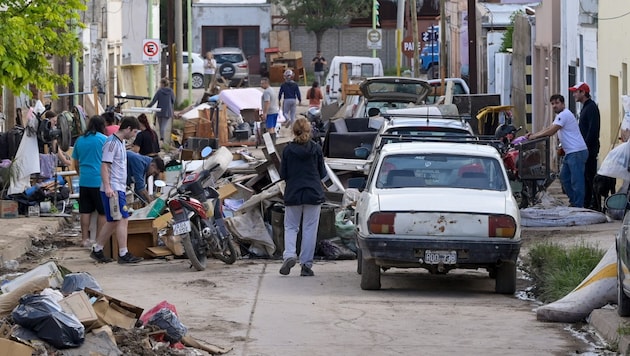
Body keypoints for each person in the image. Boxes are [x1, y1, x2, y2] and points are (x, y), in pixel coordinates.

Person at [90, 116, 143, 264]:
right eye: (134, 132)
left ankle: (117, 251)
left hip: (118, 187)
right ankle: (102, 249)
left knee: (121, 218)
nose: (134, 135)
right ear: (128, 129)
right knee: (115, 219)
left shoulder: (120, 142)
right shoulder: (112, 143)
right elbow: (105, 165)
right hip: (113, 187)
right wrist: (107, 186)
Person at [279, 117, 326, 277]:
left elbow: (283, 174)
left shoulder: (287, 150)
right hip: (313, 192)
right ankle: (306, 265)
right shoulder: (316, 148)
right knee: (309, 229)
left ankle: (290, 255)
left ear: (293, 131)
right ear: (309, 131)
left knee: (291, 227)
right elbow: (322, 173)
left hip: (293, 192)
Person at [527, 94, 588, 207]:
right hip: (570, 153)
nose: (554, 106)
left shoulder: (564, 115)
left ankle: (579, 205)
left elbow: (551, 131)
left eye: (557, 103)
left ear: (563, 104)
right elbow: (549, 128)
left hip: (576, 152)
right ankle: (574, 202)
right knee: (564, 178)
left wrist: (534, 137)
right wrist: (534, 135)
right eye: (552, 104)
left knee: (576, 180)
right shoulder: (560, 116)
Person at [71, 115, 107, 247]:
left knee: (85, 211)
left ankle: (85, 238)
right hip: (100, 181)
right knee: (102, 211)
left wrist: (81, 175)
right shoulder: (104, 139)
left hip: (84, 180)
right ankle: (98, 240)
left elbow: (75, 163)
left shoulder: (80, 140)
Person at [570, 82, 600, 209]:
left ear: (583, 92)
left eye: (576, 92)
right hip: (585, 148)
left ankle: (594, 204)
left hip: (589, 149)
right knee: (586, 177)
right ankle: (588, 203)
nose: (574, 94)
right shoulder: (585, 107)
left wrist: (585, 147)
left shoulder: (591, 107)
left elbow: (593, 130)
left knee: (590, 177)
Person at [147, 78, 175, 143]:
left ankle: (161, 138)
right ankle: (162, 139)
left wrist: (148, 106)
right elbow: (173, 101)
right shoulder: (171, 91)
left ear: (162, 84)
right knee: (164, 125)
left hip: (159, 110)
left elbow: (154, 101)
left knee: (160, 126)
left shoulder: (159, 91)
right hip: (168, 111)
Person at [260, 77, 280, 143]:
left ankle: (271, 143)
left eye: (262, 84)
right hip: (275, 111)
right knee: (273, 128)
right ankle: (274, 142)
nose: (261, 85)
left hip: (270, 112)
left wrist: (265, 113)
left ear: (266, 83)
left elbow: (267, 102)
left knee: (269, 128)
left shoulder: (266, 92)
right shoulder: (272, 90)